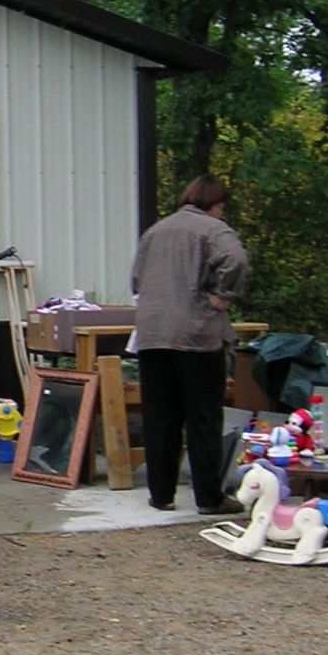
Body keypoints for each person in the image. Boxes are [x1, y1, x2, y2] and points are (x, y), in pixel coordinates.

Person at [130, 174, 251, 516]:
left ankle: (161, 494)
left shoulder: (154, 232)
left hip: (152, 333)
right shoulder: (214, 230)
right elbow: (237, 259)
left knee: (160, 416)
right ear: (216, 205)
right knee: (202, 416)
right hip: (196, 335)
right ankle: (209, 497)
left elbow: (136, 279)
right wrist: (221, 297)